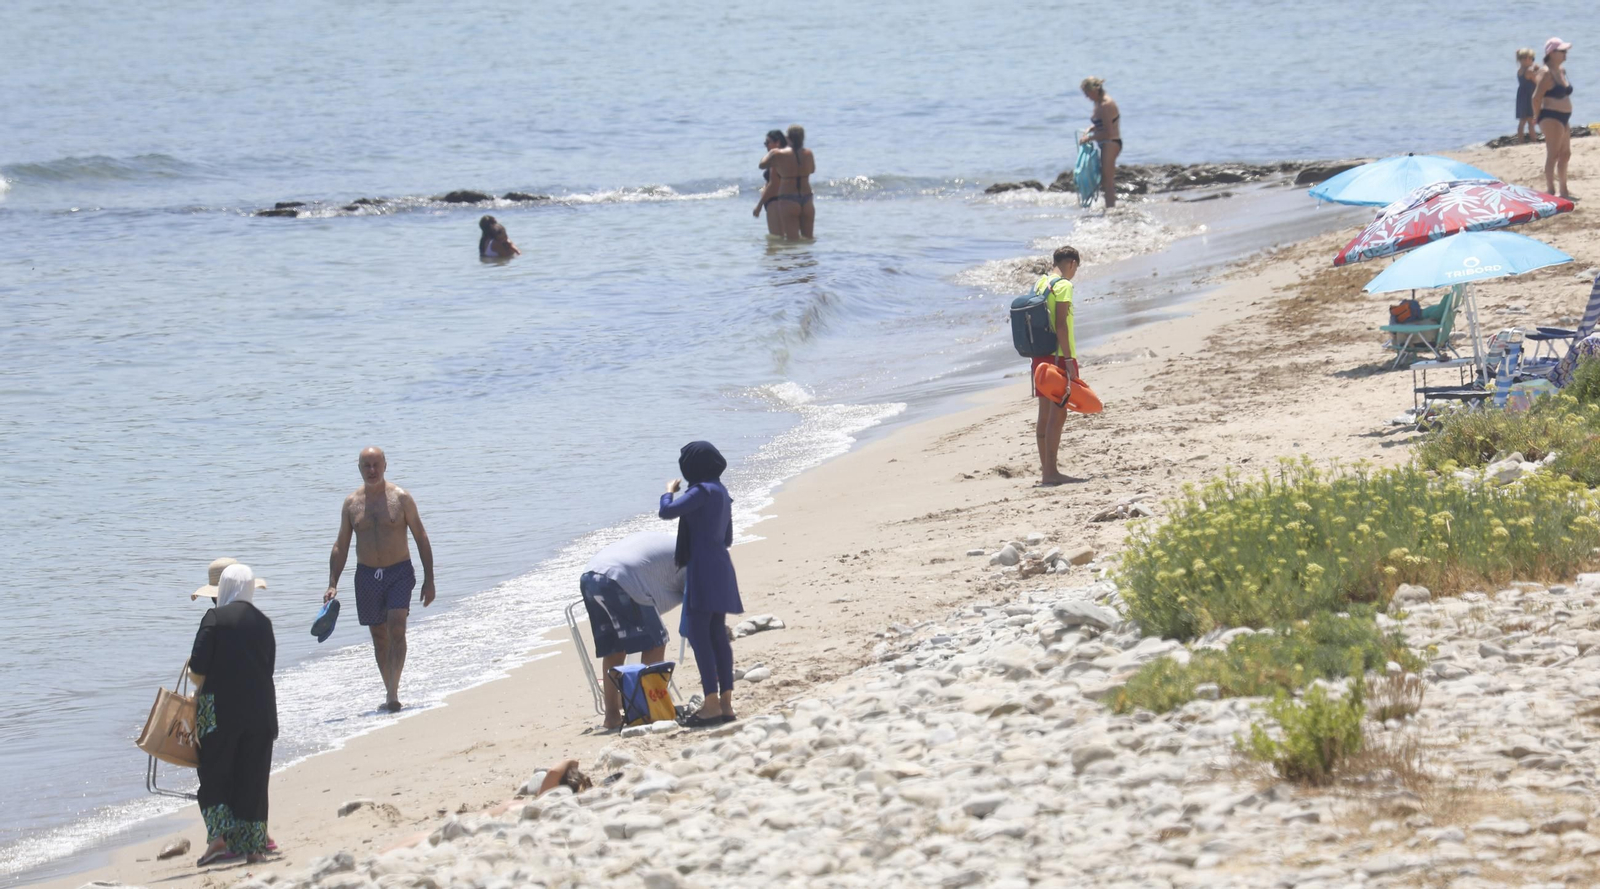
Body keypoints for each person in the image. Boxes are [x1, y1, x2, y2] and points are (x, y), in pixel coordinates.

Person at [324, 446, 436, 712]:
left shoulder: (402, 498)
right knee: (378, 636)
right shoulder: (352, 504)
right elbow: (341, 545)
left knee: (397, 626)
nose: (372, 470)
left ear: (385, 465)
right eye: (366, 466)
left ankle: (392, 694)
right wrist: (332, 583)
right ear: (359, 468)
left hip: (399, 571)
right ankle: (390, 687)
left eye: (376, 465)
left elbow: (421, 536)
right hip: (366, 576)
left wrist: (429, 579)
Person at [189, 564, 277, 867]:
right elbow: (268, 668)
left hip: (220, 713)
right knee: (253, 778)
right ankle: (254, 849)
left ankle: (219, 840)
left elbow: (198, 667)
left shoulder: (214, 618)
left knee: (213, 774)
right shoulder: (263, 622)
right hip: (261, 712)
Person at [658, 441, 743, 727]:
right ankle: (726, 703)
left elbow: (667, 513)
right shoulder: (720, 491)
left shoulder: (701, 490)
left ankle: (710, 705)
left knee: (698, 635)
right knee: (717, 634)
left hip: (703, 568)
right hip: (721, 565)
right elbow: (727, 536)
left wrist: (668, 492)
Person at [580, 531, 685, 730]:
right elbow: (696, 606)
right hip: (622, 578)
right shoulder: (694, 558)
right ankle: (650, 710)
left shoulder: (672, 543)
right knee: (656, 642)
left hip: (590, 576)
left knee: (614, 650)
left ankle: (611, 717)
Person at [1031, 246, 1081, 487]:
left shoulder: (1040, 284)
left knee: (1044, 414)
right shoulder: (1063, 286)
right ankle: (1051, 472)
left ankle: (1047, 472)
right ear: (1071, 263)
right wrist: (1070, 360)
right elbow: (1061, 325)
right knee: (1058, 413)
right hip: (1059, 357)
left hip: (1039, 356)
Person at [1532, 38, 1577, 200]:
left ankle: (1563, 189)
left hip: (1564, 117)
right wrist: (1537, 117)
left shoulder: (1562, 70)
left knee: (1566, 154)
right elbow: (1536, 98)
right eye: (1562, 51)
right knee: (1554, 154)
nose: (1566, 54)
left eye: (1566, 51)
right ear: (1551, 53)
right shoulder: (1546, 72)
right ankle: (1551, 190)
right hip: (1550, 116)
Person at [760, 124, 814, 240]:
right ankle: (807, 258)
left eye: (767, 142)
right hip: (807, 198)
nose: (766, 145)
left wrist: (772, 152)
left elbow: (762, 165)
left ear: (788, 138)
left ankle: (793, 258)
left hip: (788, 199)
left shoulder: (779, 155)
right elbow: (812, 169)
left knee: (791, 240)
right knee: (808, 239)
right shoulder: (808, 153)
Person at [1078, 77, 1122, 209]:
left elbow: (1108, 132)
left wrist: (1089, 139)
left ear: (1095, 90)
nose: (1086, 96)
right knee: (1104, 180)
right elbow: (1101, 123)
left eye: (1087, 93)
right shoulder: (1098, 103)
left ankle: (1111, 210)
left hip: (1111, 142)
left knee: (1107, 181)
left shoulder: (1106, 104)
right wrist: (1091, 129)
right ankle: (1110, 208)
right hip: (1105, 142)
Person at [752, 129, 789, 236]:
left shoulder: (775, 158)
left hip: (774, 201)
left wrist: (759, 205)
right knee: (786, 238)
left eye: (768, 143)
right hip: (786, 201)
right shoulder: (789, 156)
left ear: (777, 142)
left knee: (776, 241)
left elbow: (774, 184)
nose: (766, 146)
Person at [1516, 48, 1543, 143]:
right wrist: (1538, 70)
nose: (1529, 60)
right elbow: (1537, 81)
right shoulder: (1529, 71)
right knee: (1531, 121)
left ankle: (1521, 141)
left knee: (1522, 121)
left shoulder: (1520, 70)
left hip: (1521, 97)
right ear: (1520, 59)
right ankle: (1533, 141)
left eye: (1531, 58)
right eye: (1525, 58)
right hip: (1529, 97)